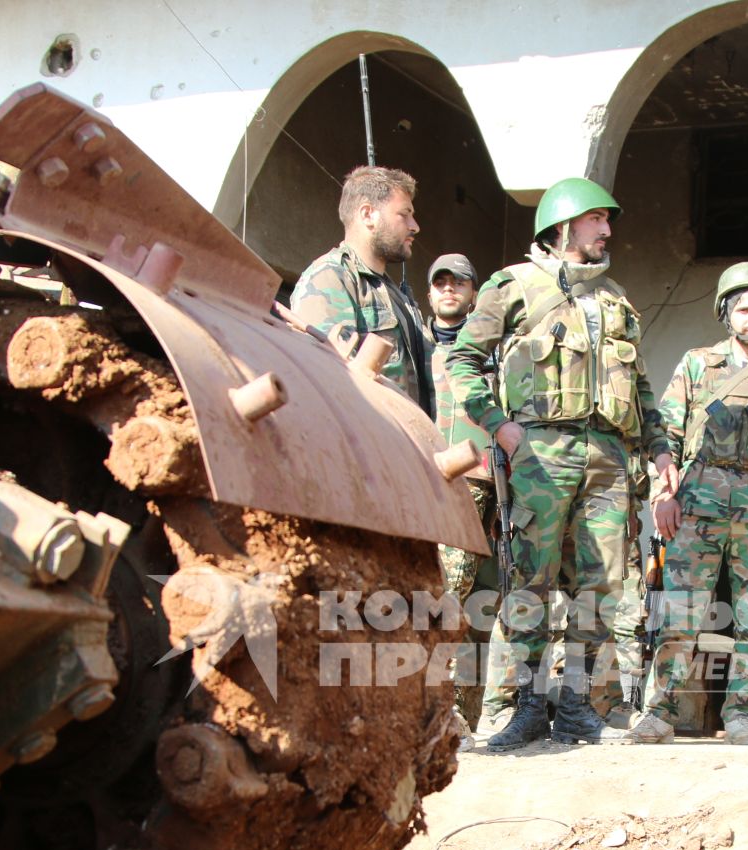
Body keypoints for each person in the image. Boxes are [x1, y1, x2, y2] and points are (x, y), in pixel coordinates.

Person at [446, 177, 676, 749]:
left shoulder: (617, 299)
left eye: (607, 220)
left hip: (609, 456)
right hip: (540, 452)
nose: (607, 229)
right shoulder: (514, 284)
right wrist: (498, 423)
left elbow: (641, 386)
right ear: (565, 224)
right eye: (598, 219)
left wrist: (661, 448)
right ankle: (526, 706)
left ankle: (575, 706)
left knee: (600, 585)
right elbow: (465, 359)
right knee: (530, 579)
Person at [631, 262, 748, 746]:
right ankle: (660, 713)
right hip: (697, 503)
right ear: (727, 314)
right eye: (743, 309)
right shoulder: (697, 364)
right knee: (680, 615)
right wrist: (664, 494)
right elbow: (666, 433)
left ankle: (741, 714)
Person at [289, 166, 432, 416]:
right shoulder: (329, 278)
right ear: (368, 214)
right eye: (404, 214)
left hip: (408, 442)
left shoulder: (395, 295)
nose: (415, 226)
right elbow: (327, 381)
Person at [426, 253, 499, 728]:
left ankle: (466, 719)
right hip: (444, 483)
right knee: (446, 597)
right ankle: (433, 706)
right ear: (430, 292)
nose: (449, 290)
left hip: (495, 490)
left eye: (460, 283)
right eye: (441, 283)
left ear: (474, 293)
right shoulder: (414, 346)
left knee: (482, 606)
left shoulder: (493, 352)